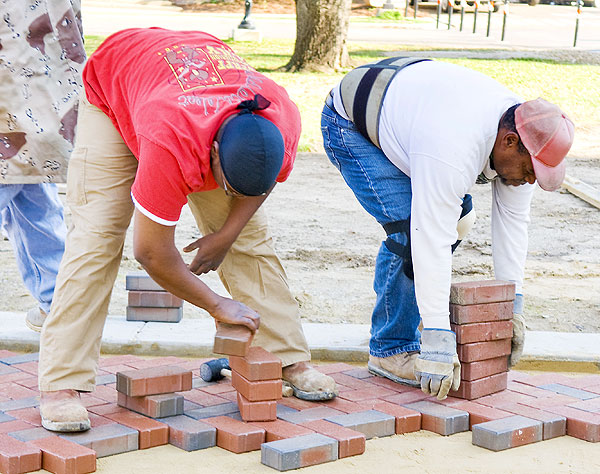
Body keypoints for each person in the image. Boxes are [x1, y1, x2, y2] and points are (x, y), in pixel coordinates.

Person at [38, 27, 337, 432]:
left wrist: (225, 235)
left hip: (178, 84)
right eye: (227, 182)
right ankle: (61, 383)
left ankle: (288, 359)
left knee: (250, 241)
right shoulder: (171, 140)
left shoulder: (280, 118)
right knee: (96, 240)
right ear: (213, 152)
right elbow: (151, 252)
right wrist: (217, 304)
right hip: (114, 89)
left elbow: (257, 185)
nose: (229, 193)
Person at [321, 57, 574, 400]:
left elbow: (513, 225)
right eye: (531, 171)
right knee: (411, 234)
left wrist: (513, 309)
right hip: (351, 122)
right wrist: (439, 337)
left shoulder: (528, 139)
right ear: (510, 142)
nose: (531, 180)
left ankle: (405, 316)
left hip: (414, 114)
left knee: (457, 220)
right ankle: (390, 348)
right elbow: (431, 236)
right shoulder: (455, 143)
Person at [0, 1, 85, 332]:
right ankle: (57, 301)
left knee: (30, 188)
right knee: (33, 193)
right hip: (43, 89)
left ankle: (57, 301)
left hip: (23, 87)